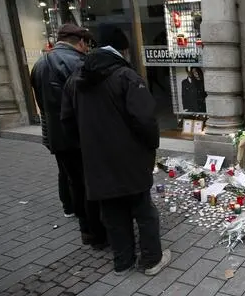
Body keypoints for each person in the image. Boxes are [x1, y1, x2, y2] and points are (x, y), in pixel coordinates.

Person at [61, 24, 171, 276]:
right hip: (129, 158)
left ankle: (123, 262)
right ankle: (152, 260)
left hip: (96, 161)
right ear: (123, 48)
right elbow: (145, 119)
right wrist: (150, 146)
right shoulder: (125, 76)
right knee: (143, 210)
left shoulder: (76, 78)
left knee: (112, 213)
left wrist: (87, 147)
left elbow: (66, 120)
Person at [30, 24, 107, 248]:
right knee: (88, 184)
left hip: (55, 135)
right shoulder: (77, 63)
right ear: (81, 42)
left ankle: (77, 218)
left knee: (72, 179)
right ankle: (94, 232)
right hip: (78, 136)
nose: (87, 49)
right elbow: (88, 105)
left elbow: (42, 106)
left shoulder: (39, 64)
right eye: (86, 44)